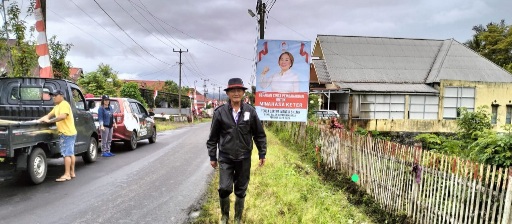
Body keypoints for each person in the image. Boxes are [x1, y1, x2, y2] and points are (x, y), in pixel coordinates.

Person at [206, 78, 267, 224]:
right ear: (228, 93)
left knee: (241, 189)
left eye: (239, 90)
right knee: (224, 188)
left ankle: (238, 218)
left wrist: (262, 153)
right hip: (226, 157)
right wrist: (212, 156)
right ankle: (225, 216)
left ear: (243, 93)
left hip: (244, 157)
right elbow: (213, 138)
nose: (236, 93)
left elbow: (259, 134)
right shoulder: (220, 113)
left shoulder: (250, 112)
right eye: (232, 90)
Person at [37, 89, 77, 182]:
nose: (53, 97)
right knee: (70, 153)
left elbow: (63, 116)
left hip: (66, 133)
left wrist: (50, 121)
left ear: (61, 95)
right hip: (70, 132)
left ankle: (67, 174)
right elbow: (47, 116)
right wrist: (37, 121)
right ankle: (72, 172)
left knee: (66, 154)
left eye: (55, 95)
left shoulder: (64, 104)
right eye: (52, 95)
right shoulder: (57, 106)